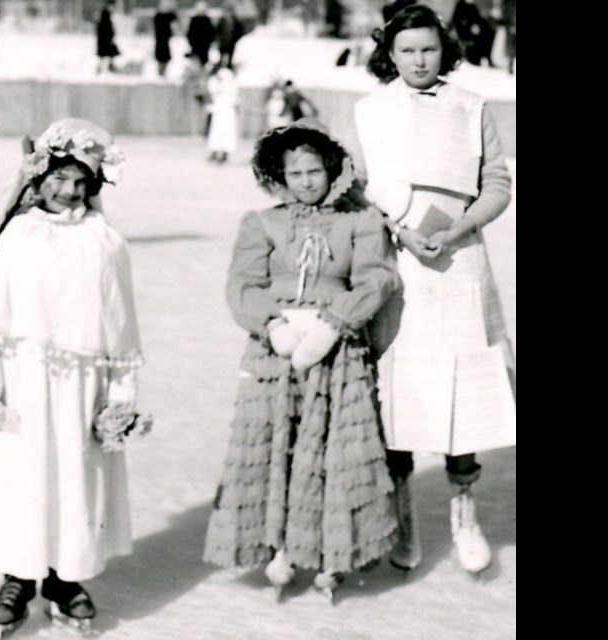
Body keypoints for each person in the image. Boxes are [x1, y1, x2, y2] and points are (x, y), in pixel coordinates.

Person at [0, 118, 149, 637]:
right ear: (38, 176)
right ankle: (18, 574)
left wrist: (120, 395)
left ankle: (63, 577)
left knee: (72, 479)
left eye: (81, 183)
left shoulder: (104, 242)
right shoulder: (14, 234)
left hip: (81, 385)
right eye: (59, 178)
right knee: (21, 478)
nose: (69, 191)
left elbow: (121, 326)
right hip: (22, 380)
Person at [203, 120, 400, 602]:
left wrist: (334, 323)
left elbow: (377, 280)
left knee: (330, 449)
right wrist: (273, 326)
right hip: (278, 349)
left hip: (336, 349)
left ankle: (330, 554)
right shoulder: (262, 223)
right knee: (279, 443)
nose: (307, 181)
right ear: (280, 176)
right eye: (296, 173)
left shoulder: (360, 221)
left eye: (316, 171)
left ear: (332, 171)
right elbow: (243, 285)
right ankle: (279, 546)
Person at [355, 3, 515, 576]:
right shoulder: (371, 110)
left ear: (444, 49)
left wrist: (462, 226)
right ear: (389, 54)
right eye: (407, 51)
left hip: (460, 259)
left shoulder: (471, 108)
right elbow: (363, 187)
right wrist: (399, 230)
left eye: (428, 49)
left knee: (459, 387)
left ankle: (463, 508)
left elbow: (497, 182)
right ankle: (402, 511)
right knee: (402, 390)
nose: (419, 60)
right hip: (401, 263)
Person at [206, 63, 239, 163]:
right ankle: (216, 151)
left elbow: (234, 96)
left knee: (226, 131)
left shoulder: (229, 80)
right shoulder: (218, 80)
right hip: (221, 108)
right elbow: (213, 90)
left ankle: (224, 153)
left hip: (227, 108)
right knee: (217, 130)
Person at [451, 0, 496, 67]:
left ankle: (487, 57)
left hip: (477, 33)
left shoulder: (473, 7)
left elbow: (478, 19)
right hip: (468, 35)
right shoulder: (461, 6)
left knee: (488, 34)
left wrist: (478, 26)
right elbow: (458, 23)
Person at [216, 2, 246, 70]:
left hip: (232, 43)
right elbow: (218, 31)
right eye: (226, 11)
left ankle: (229, 69)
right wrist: (218, 39)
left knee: (230, 58)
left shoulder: (236, 21)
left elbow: (240, 32)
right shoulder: (222, 21)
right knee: (221, 58)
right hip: (223, 43)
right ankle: (220, 69)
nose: (228, 13)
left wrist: (236, 39)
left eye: (229, 11)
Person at [153, 0, 179, 78]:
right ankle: (161, 73)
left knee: (164, 57)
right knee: (162, 56)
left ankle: (162, 73)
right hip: (161, 40)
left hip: (164, 40)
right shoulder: (159, 16)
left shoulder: (163, 16)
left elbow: (174, 20)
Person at [186, 1, 216, 67]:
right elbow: (190, 34)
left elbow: (211, 33)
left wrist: (210, 42)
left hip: (204, 47)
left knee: (203, 63)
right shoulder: (194, 20)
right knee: (196, 64)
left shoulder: (207, 20)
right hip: (196, 47)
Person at [95, 1, 120, 74]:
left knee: (108, 55)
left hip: (105, 39)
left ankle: (108, 68)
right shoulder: (105, 15)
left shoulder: (105, 15)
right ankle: (108, 68)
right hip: (105, 40)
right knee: (108, 54)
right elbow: (105, 28)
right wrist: (110, 37)